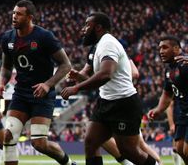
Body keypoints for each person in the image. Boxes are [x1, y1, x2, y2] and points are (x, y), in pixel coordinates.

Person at [61, 12, 156, 165]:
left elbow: (105, 75)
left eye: (87, 25)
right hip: (105, 101)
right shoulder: (98, 46)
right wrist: (78, 77)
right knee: (91, 142)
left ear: (98, 27)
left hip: (123, 103)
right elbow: (97, 80)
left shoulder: (108, 44)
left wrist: (76, 88)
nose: (84, 29)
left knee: (129, 151)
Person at [0, 0, 74, 165]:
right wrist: (1, 82)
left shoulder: (44, 36)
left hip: (42, 95)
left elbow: (66, 65)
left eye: (19, 14)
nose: (14, 16)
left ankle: (67, 162)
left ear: (29, 17)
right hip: (21, 94)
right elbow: (6, 67)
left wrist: (47, 84)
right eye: (14, 13)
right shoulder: (8, 38)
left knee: (39, 144)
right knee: (8, 136)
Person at [147, 36, 188, 164]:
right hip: (183, 114)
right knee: (179, 149)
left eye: (165, 47)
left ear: (176, 49)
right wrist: (158, 109)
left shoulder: (185, 65)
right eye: (159, 48)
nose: (161, 51)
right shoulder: (169, 70)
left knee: (186, 150)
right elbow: (167, 94)